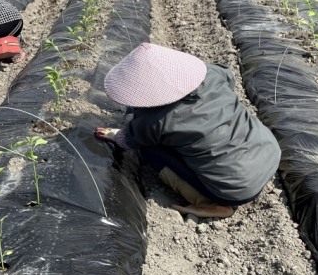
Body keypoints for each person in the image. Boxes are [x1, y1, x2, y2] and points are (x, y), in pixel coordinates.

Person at [94, 42, 281, 219]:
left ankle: (211, 204)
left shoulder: (154, 121)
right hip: (269, 153)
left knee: (149, 150)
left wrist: (116, 135)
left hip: (235, 189)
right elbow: (229, 79)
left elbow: (130, 140)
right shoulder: (213, 73)